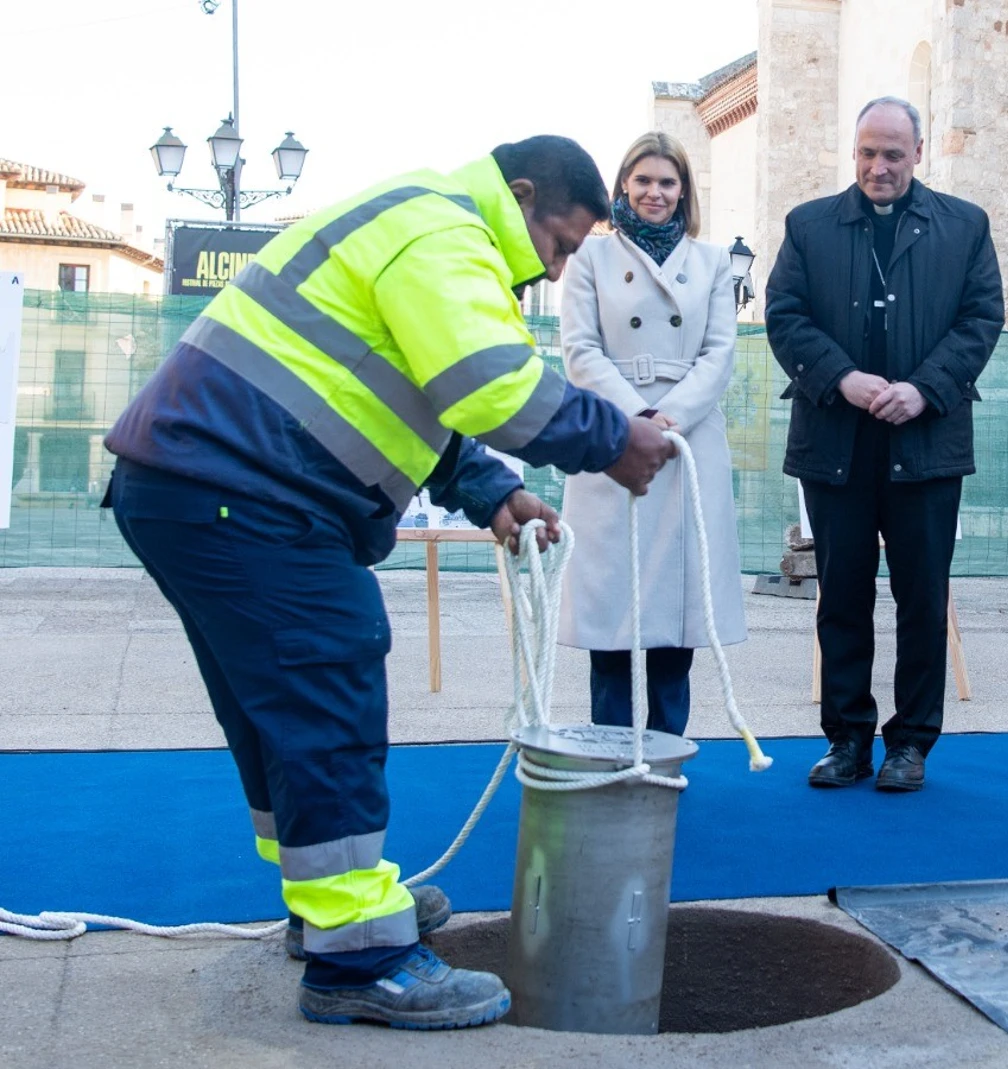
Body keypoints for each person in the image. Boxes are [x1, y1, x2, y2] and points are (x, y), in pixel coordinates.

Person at [103, 135, 675, 1029]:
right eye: (559, 245)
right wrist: (615, 438)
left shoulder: (416, 218)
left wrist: (489, 489)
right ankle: (359, 958)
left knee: (277, 704)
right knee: (326, 670)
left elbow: (401, 382)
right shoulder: (447, 236)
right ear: (521, 197)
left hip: (194, 485)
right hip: (242, 491)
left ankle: (329, 902)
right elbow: (487, 384)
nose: (556, 268)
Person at [765, 96, 1004, 792]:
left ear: (918, 154)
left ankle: (911, 745)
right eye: (868, 153)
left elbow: (981, 317)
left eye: (893, 155)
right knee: (840, 594)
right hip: (835, 440)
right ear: (854, 152)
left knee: (922, 597)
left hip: (926, 443)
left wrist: (925, 387)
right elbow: (785, 315)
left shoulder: (964, 227)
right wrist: (843, 378)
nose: (879, 167)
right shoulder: (808, 227)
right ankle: (846, 739)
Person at [557, 131, 747, 734]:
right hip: (611, 436)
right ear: (623, 186)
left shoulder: (715, 263)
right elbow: (580, 350)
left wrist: (672, 419)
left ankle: (667, 751)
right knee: (611, 612)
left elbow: (720, 353)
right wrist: (635, 417)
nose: (655, 193)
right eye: (643, 180)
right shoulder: (588, 259)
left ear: (684, 190)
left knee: (678, 616)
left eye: (668, 182)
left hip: (689, 441)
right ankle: (610, 751)